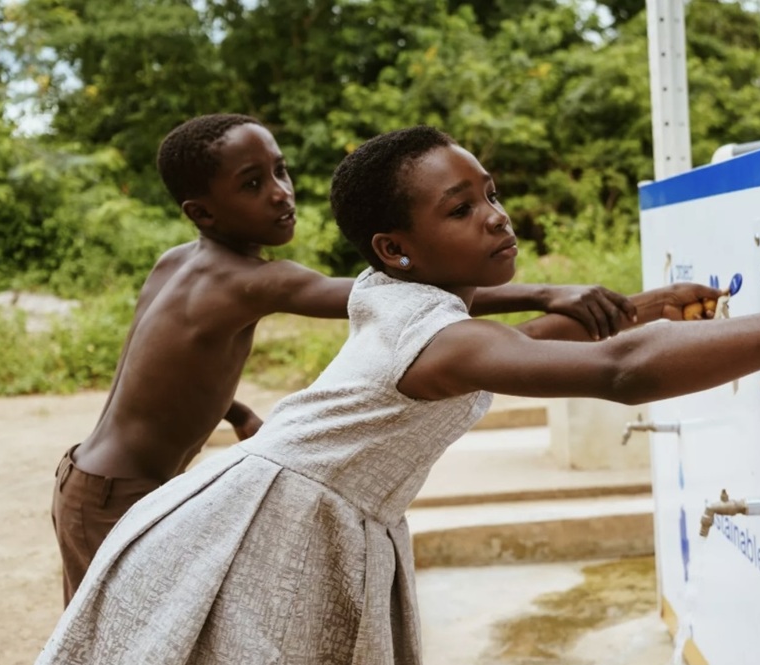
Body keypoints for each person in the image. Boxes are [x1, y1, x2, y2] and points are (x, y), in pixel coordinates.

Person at [37, 125, 760, 664]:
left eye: (490, 191)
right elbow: (617, 375)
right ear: (395, 246)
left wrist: (625, 304)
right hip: (265, 531)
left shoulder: (408, 305)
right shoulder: (410, 315)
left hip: (296, 512)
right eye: (459, 208)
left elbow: (506, 348)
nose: (494, 215)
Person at [49, 113, 685, 608]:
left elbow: (160, 367)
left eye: (280, 170)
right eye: (253, 184)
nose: (280, 194)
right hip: (120, 495)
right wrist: (547, 290)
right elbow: (396, 294)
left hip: (92, 473)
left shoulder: (178, 262)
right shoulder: (255, 280)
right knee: (127, 635)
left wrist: (235, 411)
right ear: (202, 212)